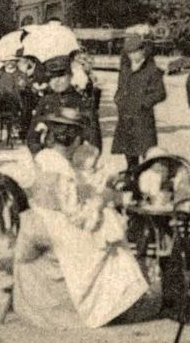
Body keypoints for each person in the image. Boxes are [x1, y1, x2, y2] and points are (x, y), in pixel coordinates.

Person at [12, 108, 149, 328]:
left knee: (106, 225)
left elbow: (61, 198)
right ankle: (110, 306)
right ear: (73, 140)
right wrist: (101, 203)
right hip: (54, 228)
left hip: (40, 218)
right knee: (110, 239)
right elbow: (77, 216)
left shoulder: (44, 157)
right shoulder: (62, 169)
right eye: (79, 139)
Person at [113, 36, 167, 172]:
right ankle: (132, 182)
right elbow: (121, 87)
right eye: (129, 53)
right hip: (126, 117)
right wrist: (118, 98)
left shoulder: (152, 70)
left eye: (135, 52)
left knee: (147, 155)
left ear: (143, 50)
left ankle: (147, 185)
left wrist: (144, 103)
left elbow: (161, 93)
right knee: (129, 156)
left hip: (143, 118)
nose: (132, 56)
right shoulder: (125, 69)